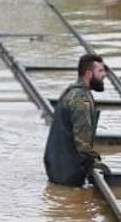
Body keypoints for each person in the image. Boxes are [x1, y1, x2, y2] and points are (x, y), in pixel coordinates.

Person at [44, 53, 110, 186]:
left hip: (55, 166)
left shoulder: (70, 91)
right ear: (88, 74)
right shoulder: (81, 100)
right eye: (100, 71)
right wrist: (97, 162)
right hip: (68, 172)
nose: (104, 75)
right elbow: (83, 143)